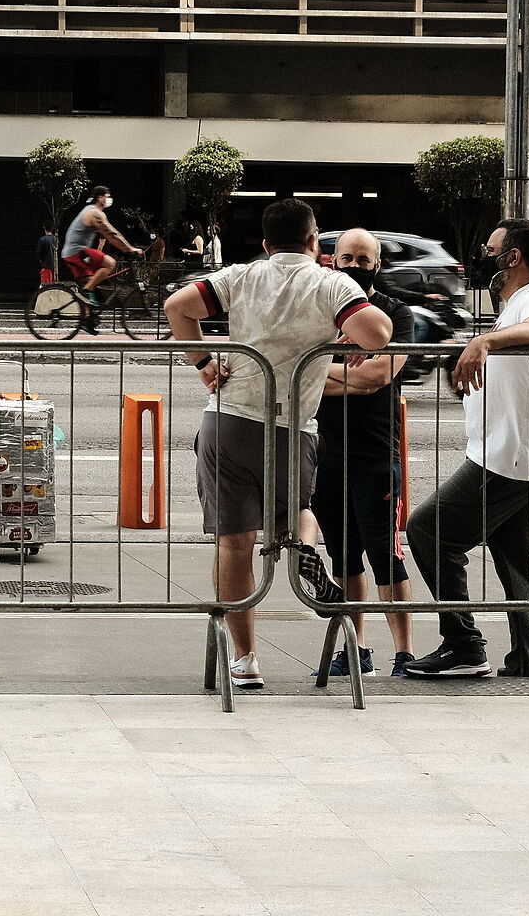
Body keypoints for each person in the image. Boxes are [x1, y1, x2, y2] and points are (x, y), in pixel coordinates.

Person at [163, 197, 392, 693]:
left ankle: (245, 662)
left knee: (234, 541)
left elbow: (177, 307)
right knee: (298, 507)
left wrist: (204, 361)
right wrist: (340, 336)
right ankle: (303, 548)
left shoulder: (241, 276)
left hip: (230, 420)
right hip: (294, 426)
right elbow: (377, 332)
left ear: (266, 244)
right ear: (316, 243)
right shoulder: (331, 281)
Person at [402, 218, 529, 679]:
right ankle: (525, 660)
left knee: (428, 531)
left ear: (512, 258)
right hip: (522, 455)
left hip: (508, 458)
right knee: (516, 559)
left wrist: (483, 340)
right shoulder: (524, 298)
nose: (483, 257)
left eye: (490, 250)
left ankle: (462, 644)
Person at [311, 228, 420, 679]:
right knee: (343, 556)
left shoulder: (395, 314)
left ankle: (405, 654)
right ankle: (355, 651)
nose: (355, 264)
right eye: (347, 257)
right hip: (325, 452)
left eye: (364, 258)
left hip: (376, 451)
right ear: (332, 260)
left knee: (385, 555)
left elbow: (377, 376)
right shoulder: (319, 313)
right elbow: (309, 370)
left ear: (378, 263)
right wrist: (341, 372)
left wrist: (319, 369)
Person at [59, 185, 139, 335]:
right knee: (110, 263)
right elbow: (111, 234)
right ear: (100, 198)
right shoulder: (94, 213)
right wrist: (129, 249)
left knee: (88, 283)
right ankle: (87, 291)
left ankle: (86, 321)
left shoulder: (91, 211)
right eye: (108, 196)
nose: (109, 199)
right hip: (77, 252)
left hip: (72, 253)